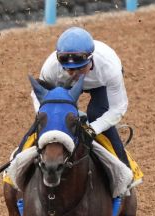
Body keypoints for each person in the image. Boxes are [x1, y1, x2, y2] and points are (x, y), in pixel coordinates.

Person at [31, 26, 130, 167]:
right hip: (65, 85)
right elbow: (38, 94)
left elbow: (118, 108)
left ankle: (125, 169)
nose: (74, 74)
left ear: (91, 60)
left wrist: (92, 129)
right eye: (69, 69)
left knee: (96, 113)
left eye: (80, 68)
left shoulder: (110, 68)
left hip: (100, 85)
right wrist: (45, 114)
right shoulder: (51, 67)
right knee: (50, 118)